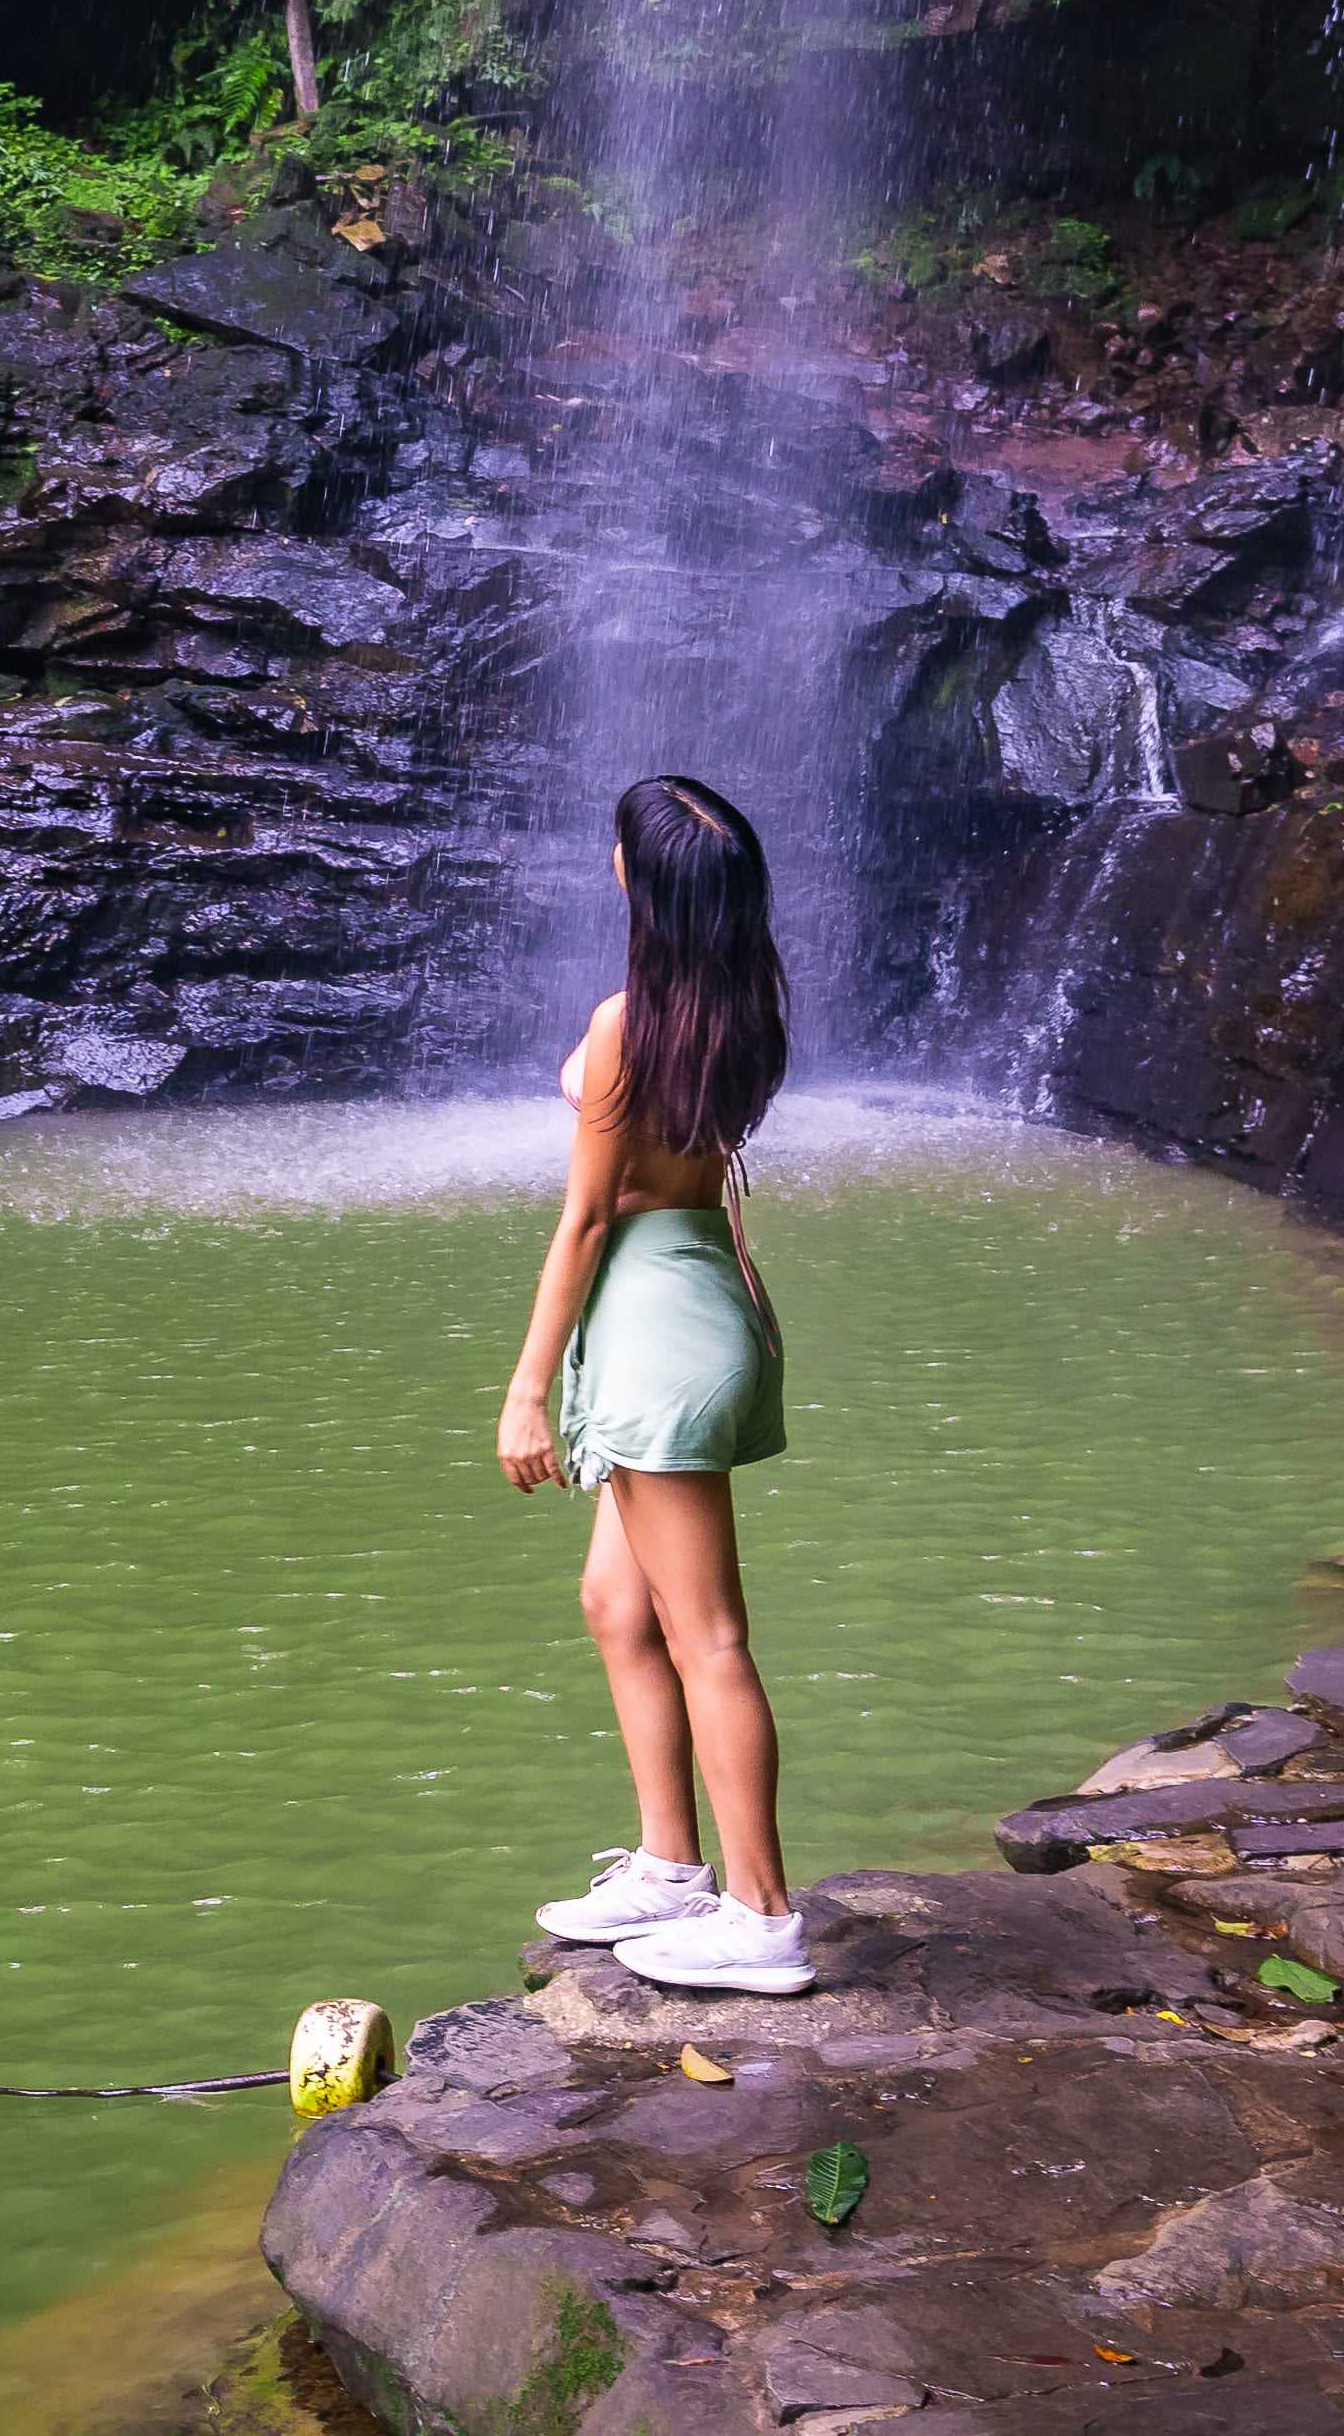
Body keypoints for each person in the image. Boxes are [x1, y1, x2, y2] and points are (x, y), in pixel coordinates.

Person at [494, 773, 810, 1997]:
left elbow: (583, 1218)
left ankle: (763, 1914)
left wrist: (528, 1390)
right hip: (693, 1297)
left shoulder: (632, 1020)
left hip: (651, 1324)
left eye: (620, 851)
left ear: (643, 882)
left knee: (708, 1634)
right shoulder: (744, 1011)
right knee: (617, 1607)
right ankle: (673, 1865)